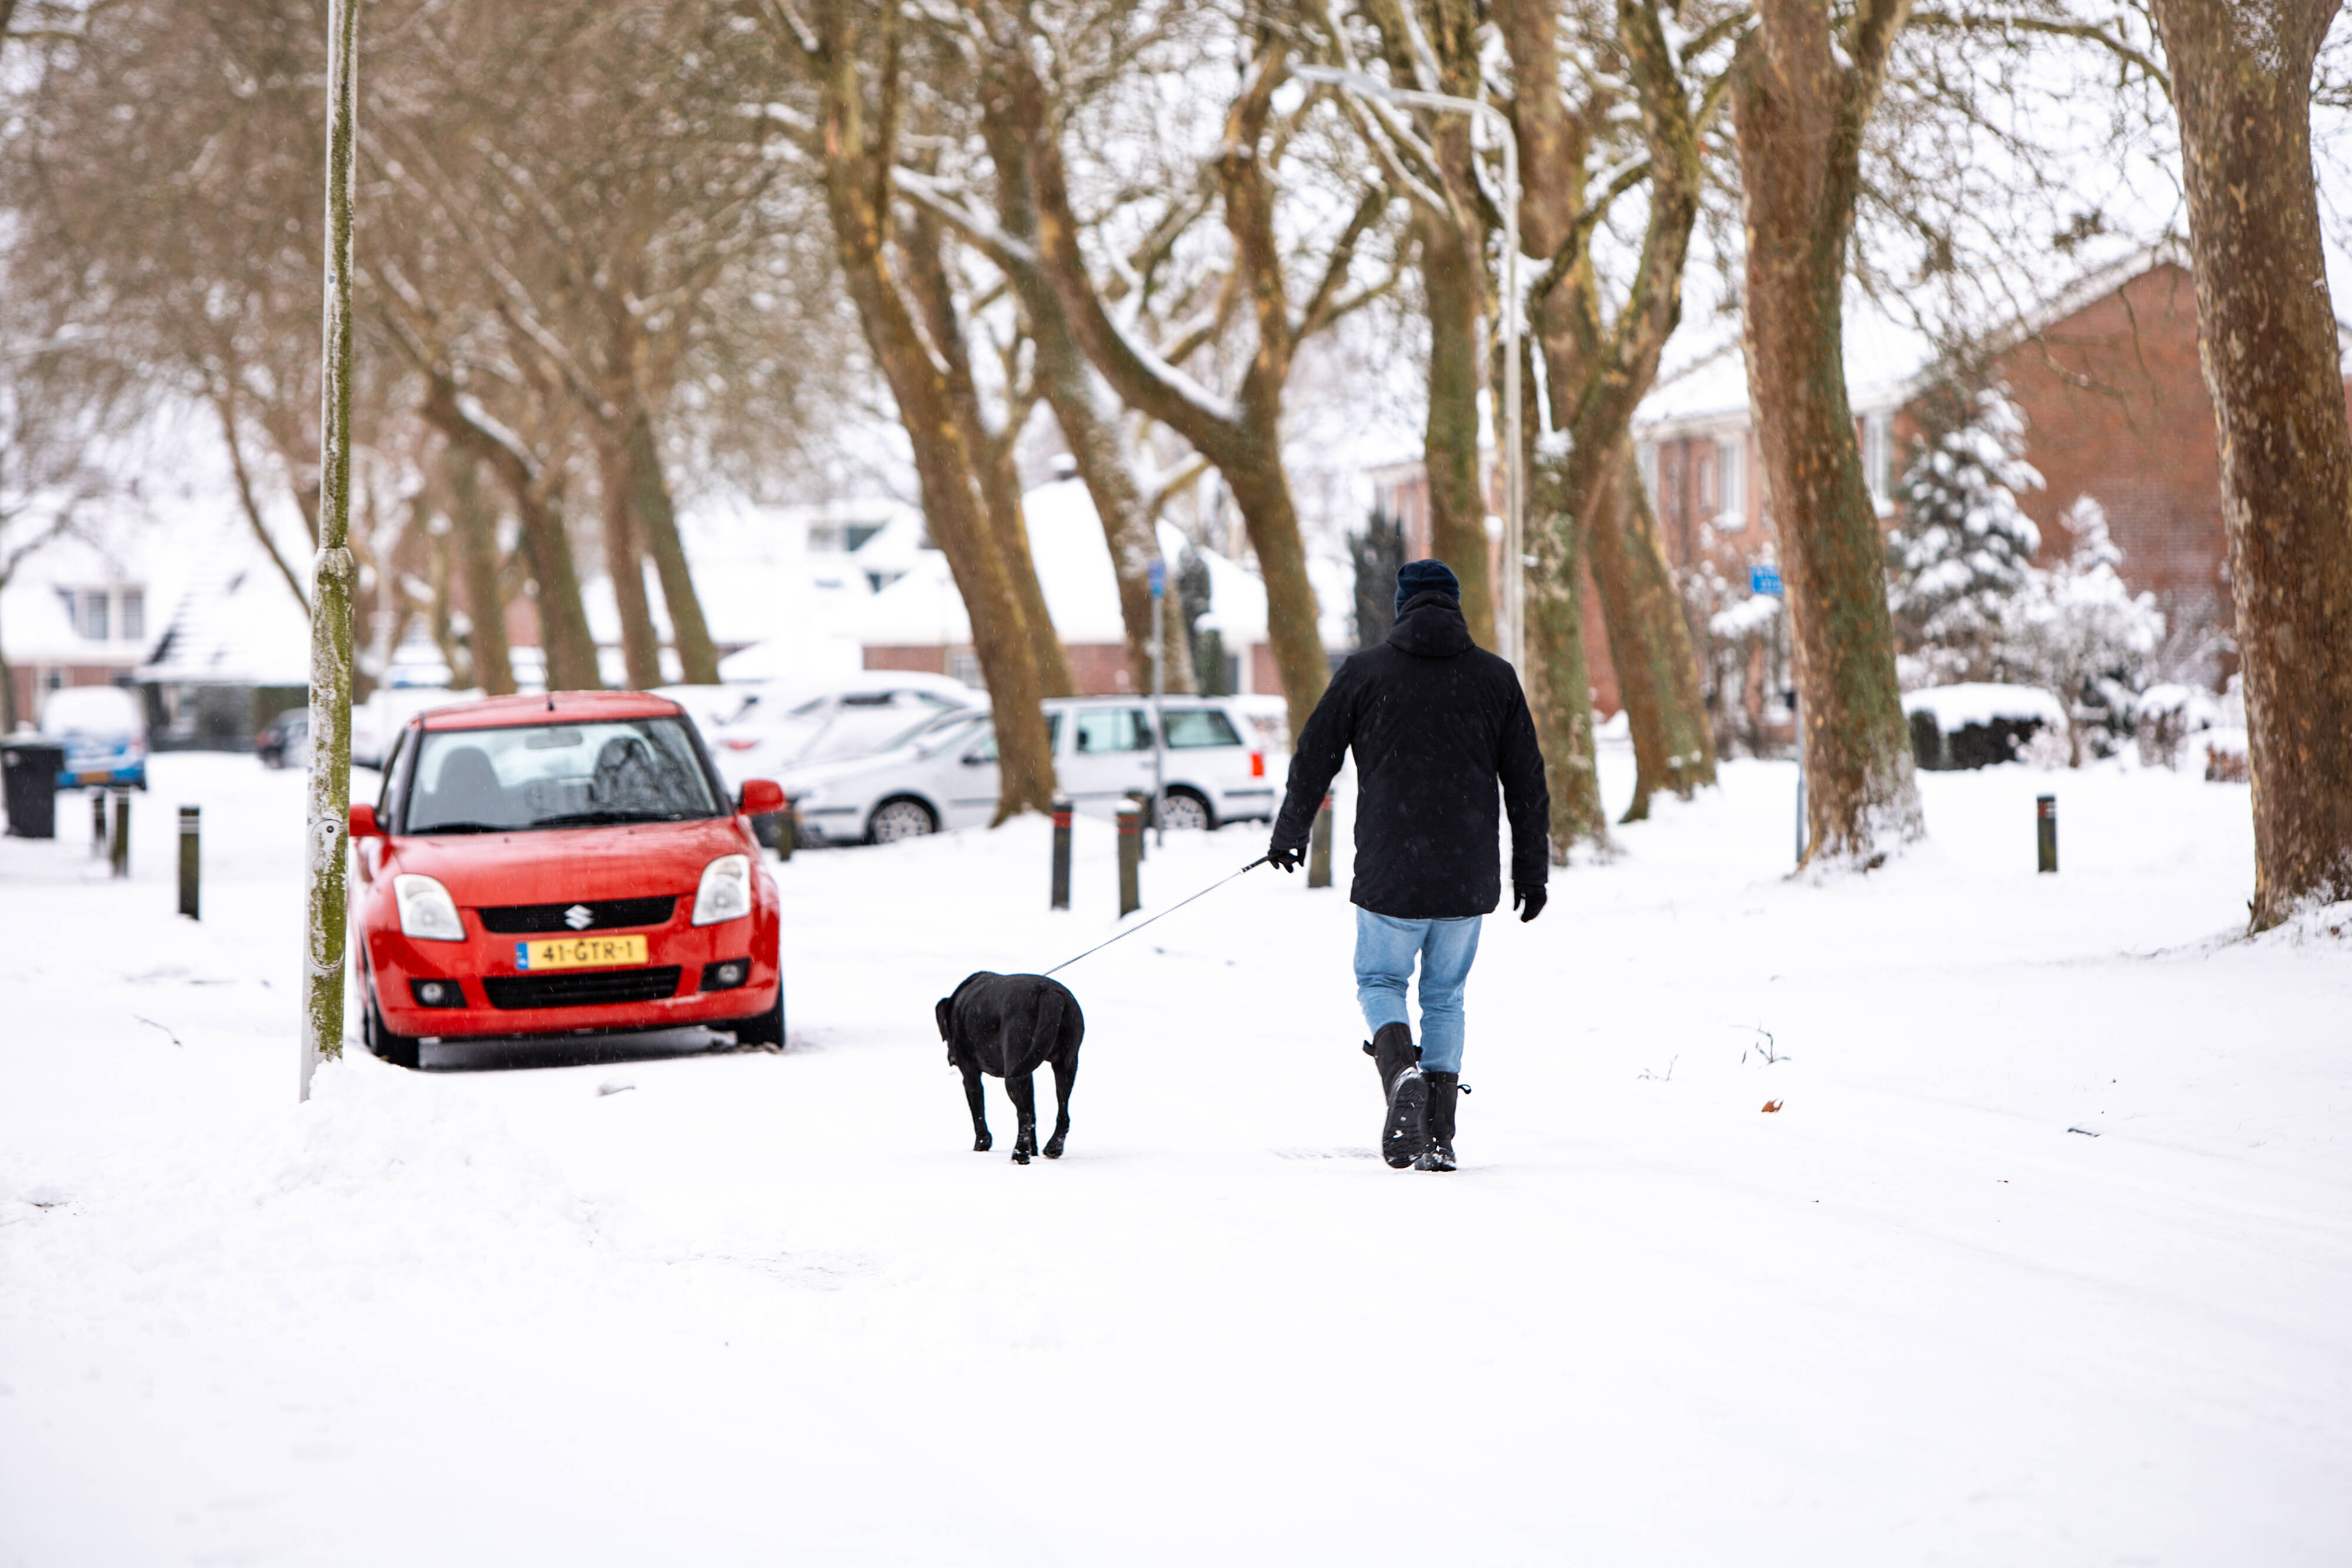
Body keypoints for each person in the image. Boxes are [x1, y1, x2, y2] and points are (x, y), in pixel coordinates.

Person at [1267, 559, 1550, 1171]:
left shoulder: (1365, 672)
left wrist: (1290, 832)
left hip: (1390, 870)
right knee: (1445, 996)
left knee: (1379, 981)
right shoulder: (1495, 677)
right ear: (1455, 605)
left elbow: (1314, 756)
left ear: (1402, 607)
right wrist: (1532, 870)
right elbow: (1527, 781)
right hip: (1466, 875)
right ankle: (1439, 1137)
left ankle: (1400, 1075)